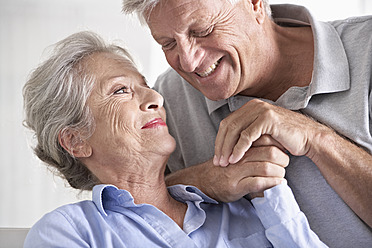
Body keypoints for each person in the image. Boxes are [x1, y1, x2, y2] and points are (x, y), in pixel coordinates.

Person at [23, 31, 326, 247]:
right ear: (75, 140)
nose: (155, 97)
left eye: (145, 86)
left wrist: (268, 191)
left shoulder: (243, 207)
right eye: (120, 90)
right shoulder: (67, 232)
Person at [121, 0, 372, 247]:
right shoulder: (166, 99)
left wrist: (315, 138)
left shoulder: (367, 47)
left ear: (254, 4)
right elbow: (122, 203)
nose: (188, 63)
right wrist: (202, 182)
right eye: (168, 44)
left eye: (203, 31)